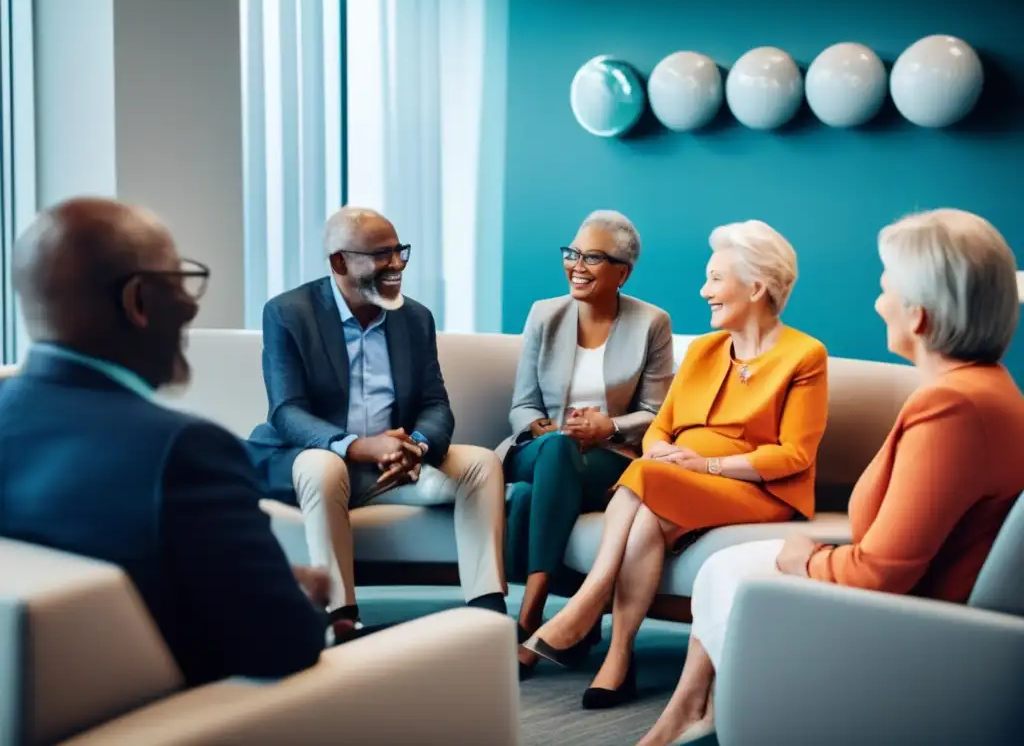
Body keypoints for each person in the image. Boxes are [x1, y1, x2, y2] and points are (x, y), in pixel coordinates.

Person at [639, 208, 1024, 746]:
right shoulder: (988, 390)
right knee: (725, 566)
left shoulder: (954, 407)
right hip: (925, 602)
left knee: (733, 573)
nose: (876, 302)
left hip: (917, 624)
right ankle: (694, 714)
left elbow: (879, 575)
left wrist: (808, 557)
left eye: (885, 288)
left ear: (918, 316)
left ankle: (747, 721)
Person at [0, 198, 328, 687]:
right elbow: (285, 645)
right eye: (179, 281)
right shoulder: (185, 452)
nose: (192, 304)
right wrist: (299, 595)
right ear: (138, 301)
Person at [524, 220, 829, 710]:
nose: (704, 291)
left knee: (645, 478)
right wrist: (665, 452)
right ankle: (618, 658)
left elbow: (795, 455)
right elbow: (660, 427)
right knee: (646, 517)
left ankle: (588, 599)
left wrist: (706, 466)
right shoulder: (705, 350)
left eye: (715, 278)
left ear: (755, 286)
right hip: (677, 479)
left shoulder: (803, 355)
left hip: (758, 489)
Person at [246, 206, 508, 640]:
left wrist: (418, 446)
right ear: (339, 262)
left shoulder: (415, 318)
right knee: (323, 464)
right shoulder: (289, 313)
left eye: (400, 252)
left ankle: (488, 615)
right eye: (381, 255)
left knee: (481, 463)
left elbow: (435, 403)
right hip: (315, 462)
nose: (396, 265)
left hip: (395, 467)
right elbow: (286, 410)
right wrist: (355, 446)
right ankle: (341, 618)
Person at [500, 211, 674, 676]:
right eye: (572, 253)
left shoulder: (651, 323)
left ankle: (532, 613)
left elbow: (656, 413)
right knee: (555, 451)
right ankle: (536, 614)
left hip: (606, 459)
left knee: (538, 495)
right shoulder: (545, 313)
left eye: (593, 257)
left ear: (623, 272)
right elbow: (521, 404)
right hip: (541, 451)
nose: (577, 265)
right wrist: (543, 428)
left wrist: (609, 428)